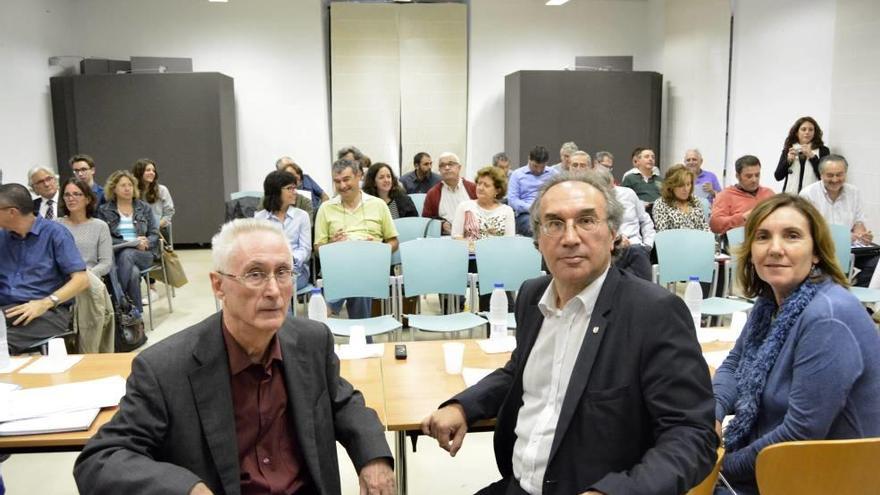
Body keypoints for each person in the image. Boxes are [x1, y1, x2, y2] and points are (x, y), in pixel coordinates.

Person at [421, 171, 717, 495]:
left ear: (613, 233)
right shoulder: (533, 296)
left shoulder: (655, 312)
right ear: (538, 238)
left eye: (587, 221)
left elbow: (692, 434)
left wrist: (615, 493)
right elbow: (518, 372)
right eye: (554, 223)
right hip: (517, 486)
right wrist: (464, 406)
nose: (570, 237)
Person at [73, 219, 395, 495]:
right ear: (218, 285)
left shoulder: (311, 341)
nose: (273, 290)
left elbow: (342, 400)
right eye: (255, 274)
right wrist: (184, 488)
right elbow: (101, 460)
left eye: (283, 272)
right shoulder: (165, 369)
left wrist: (373, 455)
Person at [713, 194, 880, 495]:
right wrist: (711, 412)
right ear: (751, 251)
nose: (775, 249)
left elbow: (799, 435)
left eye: (792, 236)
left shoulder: (828, 318)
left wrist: (718, 466)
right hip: (787, 467)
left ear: (816, 252)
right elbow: (734, 365)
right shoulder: (770, 304)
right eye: (763, 237)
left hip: (828, 480)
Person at [0, 183, 88, 354]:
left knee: (3, 345)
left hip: (48, 311)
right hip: (8, 308)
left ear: (12, 212)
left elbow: (82, 280)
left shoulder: (55, 234)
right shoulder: (2, 237)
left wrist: (45, 303)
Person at [314, 159, 399, 319]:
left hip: (372, 265)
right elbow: (318, 249)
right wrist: (332, 245)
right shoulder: (326, 208)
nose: (342, 186)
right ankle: (364, 338)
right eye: (337, 181)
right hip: (339, 266)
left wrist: (378, 248)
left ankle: (329, 306)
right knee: (359, 284)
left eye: (346, 180)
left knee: (361, 275)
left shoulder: (378, 205)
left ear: (358, 176)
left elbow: (394, 241)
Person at [57, 178, 115, 353]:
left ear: (87, 199)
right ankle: (88, 348)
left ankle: (87, 349)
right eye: (67, 194)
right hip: (62, 278)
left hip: (91, 279)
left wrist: (84, 276)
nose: (71, 198)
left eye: (76, 194)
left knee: (84, 284)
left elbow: (105, 263)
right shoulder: (55, 225)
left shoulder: (99, 226)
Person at [800, 154, 877, 287]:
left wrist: (862, 235)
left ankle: (854, 293)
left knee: (875, 263)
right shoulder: (808, 194)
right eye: (830, 175)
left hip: (848, 249)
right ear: (821, 174)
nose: (835, 179)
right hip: (819, 248)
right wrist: (843, 236)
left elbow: (859, 222)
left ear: (845, 174)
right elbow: (805, 228)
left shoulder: (854, 192)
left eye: (839, 175)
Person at [96, 170, 160, 313]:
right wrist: (129, 243)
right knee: (133, 273)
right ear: (114, 189)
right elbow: (103, 237)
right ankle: (135, 317)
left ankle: (118, 303)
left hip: (144, 253)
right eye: (122, 185)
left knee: (127, 254)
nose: (127, 188)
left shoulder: (144, 208)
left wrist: (146, 242)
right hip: (116, 255)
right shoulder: (104, 210)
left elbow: (155, 233)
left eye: (130, 185)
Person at [254, 171, 312, 290]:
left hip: (297, 270)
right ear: (275, 191)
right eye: (290, 188)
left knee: (280, 283)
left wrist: (289, 260)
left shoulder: (302, 216)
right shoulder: (260, 218)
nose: (295, 192)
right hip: (268, 270)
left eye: (295, 188)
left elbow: (305, 250)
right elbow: (257, 249)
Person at [595, 168, 655, 281]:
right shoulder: (594, 201)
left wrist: (648, 245)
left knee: (637, 255)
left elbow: (645, 220)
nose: (609, 192)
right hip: (611, 249)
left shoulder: (628, 193)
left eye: (611, 187)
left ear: (613, 183)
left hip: (636, 246)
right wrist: (617, 239)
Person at [710, 155, 775, 235]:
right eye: (749, 176)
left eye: (757, 175)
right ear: (737, 176)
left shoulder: (768, 193)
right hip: (740, 244)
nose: (754, 180)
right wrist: (742, 217)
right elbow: (715, 225)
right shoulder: (725, 195)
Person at [451, 166, 514, 243]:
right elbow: (456, 237)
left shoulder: (507, 211)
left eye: (486, 185)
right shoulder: (464, 207)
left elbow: (509, 242)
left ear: (497, 190)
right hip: (470, 253)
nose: (480, 188)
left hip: (497, 253)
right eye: (479, 183)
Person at [422, 152, 477, 235]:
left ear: (459, 167)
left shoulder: (474, 189)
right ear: (439, 170)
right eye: (442, 165)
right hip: (445, 238)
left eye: (451, 164)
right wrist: (441, 225)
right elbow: (426, 220)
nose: (447, 168)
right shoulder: (432, 193)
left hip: (472, 237)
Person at [507, 145, 556, 236]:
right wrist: (532, 208)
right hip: (526, 214)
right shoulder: (517, 175)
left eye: (542, 167)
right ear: (529, 159)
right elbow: (512, 200)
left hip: (549, 211)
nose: (538, 170)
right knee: (534, 228)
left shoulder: (553, 173)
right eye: (535, 166)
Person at [774, 116, 830, 194]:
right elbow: (778, 176)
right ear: (797, 132)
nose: (807, 132)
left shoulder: (823, 150)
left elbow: (826, 176)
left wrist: (812, 156)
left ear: (815, 133)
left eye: (811, 130)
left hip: (812, 197)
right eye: (803, 129)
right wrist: (788, 161)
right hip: (790, 198)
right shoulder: (789, 150)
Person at [652, 164, 709, 232]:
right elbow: (663, 234)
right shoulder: (661, 204)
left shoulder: (695, 201)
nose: (686, 189)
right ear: (671, 186)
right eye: (681, 185)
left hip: (698, 241)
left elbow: (704, 228)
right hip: (673, 242)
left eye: (688, 184)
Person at [131, 158, 175, 236]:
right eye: (148, 170)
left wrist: (155, 227)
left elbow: (168, 213)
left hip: (158, 230)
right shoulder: (131, 191)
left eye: (153, 170)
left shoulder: (162, 190)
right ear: (139, 172)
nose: (152, 173)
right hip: (136, 231)